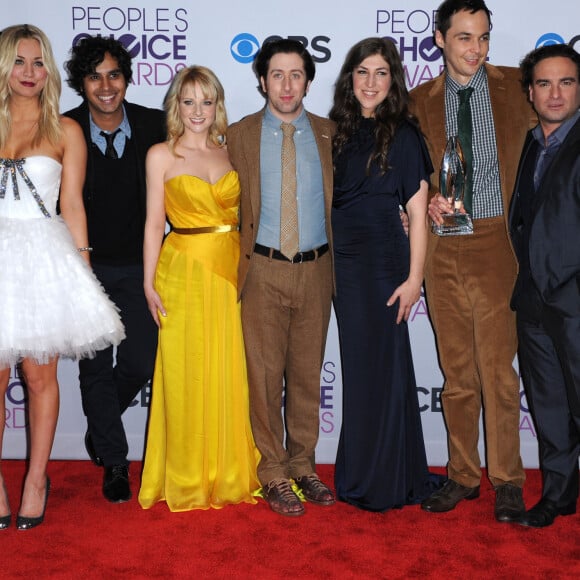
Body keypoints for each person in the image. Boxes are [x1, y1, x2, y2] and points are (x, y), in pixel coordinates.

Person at [409, 0, 536, 522]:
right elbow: (403, 177)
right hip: (441, 245)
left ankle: (507, 478)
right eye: (464, 38)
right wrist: (418, 203)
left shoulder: (517, 89)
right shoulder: (417, 102)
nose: (476, 50)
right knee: (457, 373)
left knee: (498, 374)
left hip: (496, 244)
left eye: (482, 37)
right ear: (440, 39)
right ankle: (463, 474)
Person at [0, 24, 124, 530]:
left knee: (39, 375)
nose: (30, 73)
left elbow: (72, 205)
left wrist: (84, 274)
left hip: (42, 260)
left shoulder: (65, 130)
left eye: (38, 62)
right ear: (5, 66)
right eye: (20, 61)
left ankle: (36, 479)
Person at [138, 65, 260, 511]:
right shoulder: (161, 155)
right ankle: (187, 474)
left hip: (230, 271)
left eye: (206, 102)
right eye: (188, 101)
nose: (197, 111)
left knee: (228, 368)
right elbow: (154, 224)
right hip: (182, 272)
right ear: (176, 105)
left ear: (218, 106)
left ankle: (227, 471)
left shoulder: (233, 152)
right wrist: (148, 283)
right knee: (185, 373)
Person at [330, 37, 444, 512]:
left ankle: (388, 479)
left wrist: (415, 278)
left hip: (383, 265)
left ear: (392, 80)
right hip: (342, 267)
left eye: (381, 73)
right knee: (360, 372)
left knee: (385, 367)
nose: (371, 82)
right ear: (350, 78)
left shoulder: (404, 134)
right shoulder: (335, 132)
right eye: (363, 72)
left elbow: (418, 215)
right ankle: (363, 470)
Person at [227, 39, 335, 517]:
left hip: (317, 270)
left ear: (309, 80)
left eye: (296, 74)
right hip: (263, 269)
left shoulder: (335, 135)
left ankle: (303, 464)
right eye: (277, 74)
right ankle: (272, 470)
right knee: (265, 377)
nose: (287, 84)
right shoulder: (239, 135)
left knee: (308, 377)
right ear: (262, 80)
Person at [64, 37, 165, 503]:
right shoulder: (65, 129)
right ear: (81, 83)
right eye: (94, 76)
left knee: (142, 361)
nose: (106, 86)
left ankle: (100, 426)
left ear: (126, 78)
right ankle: (115, 463)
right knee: (95, 371)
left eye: (114, 75)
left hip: (143, 268)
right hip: (83, 266)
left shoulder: (155, 125)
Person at [509, 43, 580, 528]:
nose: (555, 93)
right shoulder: (532, 141)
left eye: (567, 82)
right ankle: (558, 494)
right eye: (544, 83)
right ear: (530, 93)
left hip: (576, 299)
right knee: (549, 405)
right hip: (533, 299)